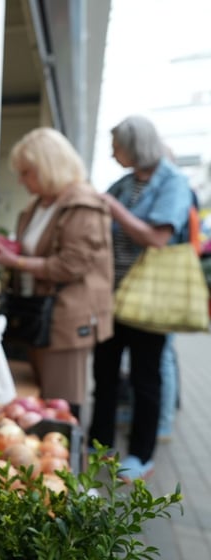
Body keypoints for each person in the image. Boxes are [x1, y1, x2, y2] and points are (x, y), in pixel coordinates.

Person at [88, 115, 194, 481]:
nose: (112, 153)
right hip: (112, 298)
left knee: (145, 380)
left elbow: (158, 237)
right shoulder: (125, 183)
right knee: (104, 374)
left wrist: (112, 207)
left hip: (150, 301)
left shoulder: (174, 183)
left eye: (116, 145)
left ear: (134, 145)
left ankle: (141, 455)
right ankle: (98, 443)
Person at [0, 127, 114, 420]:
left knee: (61, 406)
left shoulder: (83, 204)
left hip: (67, 319)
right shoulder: (40, 205)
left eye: (27, 173)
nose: (22, 181)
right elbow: (36, 250)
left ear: (48, 167)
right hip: (40, 315)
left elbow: (71, 265)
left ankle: (70, 464)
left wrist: (17, 262)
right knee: (42, 399)